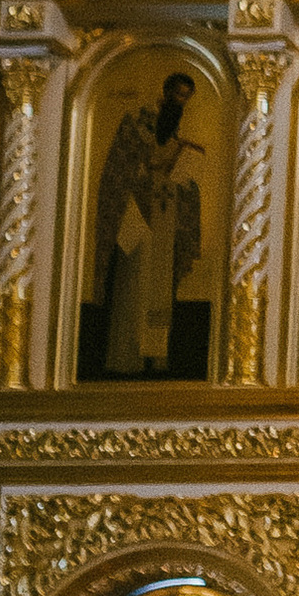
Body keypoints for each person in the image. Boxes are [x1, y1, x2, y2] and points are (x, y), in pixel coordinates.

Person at [91, 68, 208, 378]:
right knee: (135, 284)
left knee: (159, 287)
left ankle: (155, 356)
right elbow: (122, 169)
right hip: (137, 215)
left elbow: (177, 172)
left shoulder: (173, 131)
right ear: (167, 92)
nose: (181, 102)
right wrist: (149, 176)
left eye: (187, 98)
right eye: (179, 95)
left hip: (165, 216)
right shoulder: (136, 124)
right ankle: (126, 357)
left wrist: (185, 163)